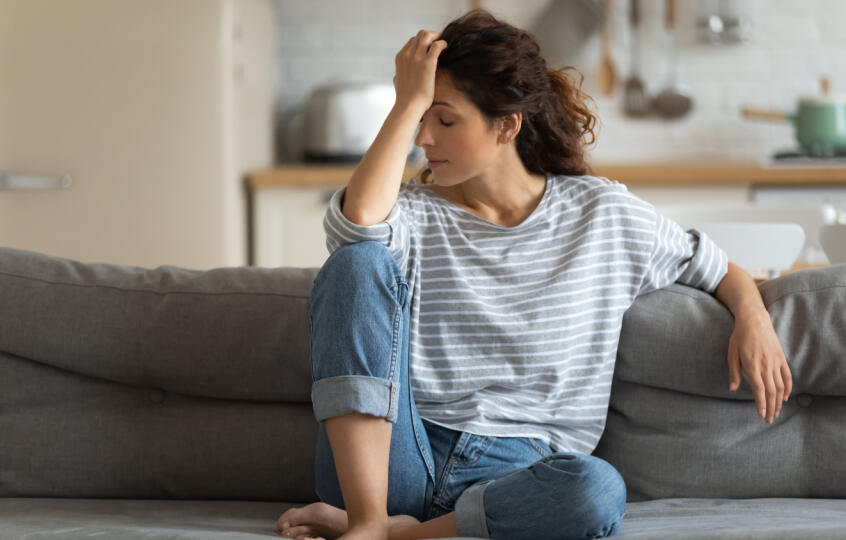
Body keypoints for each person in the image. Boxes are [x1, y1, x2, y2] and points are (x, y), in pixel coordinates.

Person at [277, 9, 792, 540]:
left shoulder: (602, 214)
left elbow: (712, 265)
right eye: (419, 118)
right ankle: (368, 519)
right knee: (356, 262)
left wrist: (753, 316)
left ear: (506, 124)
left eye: (445, 120)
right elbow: (357, 230)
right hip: (392, 460)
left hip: (517, 475)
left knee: (596, 490)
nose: (424, 137)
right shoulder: (410, 213)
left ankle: (394, 536)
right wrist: (408, 101)